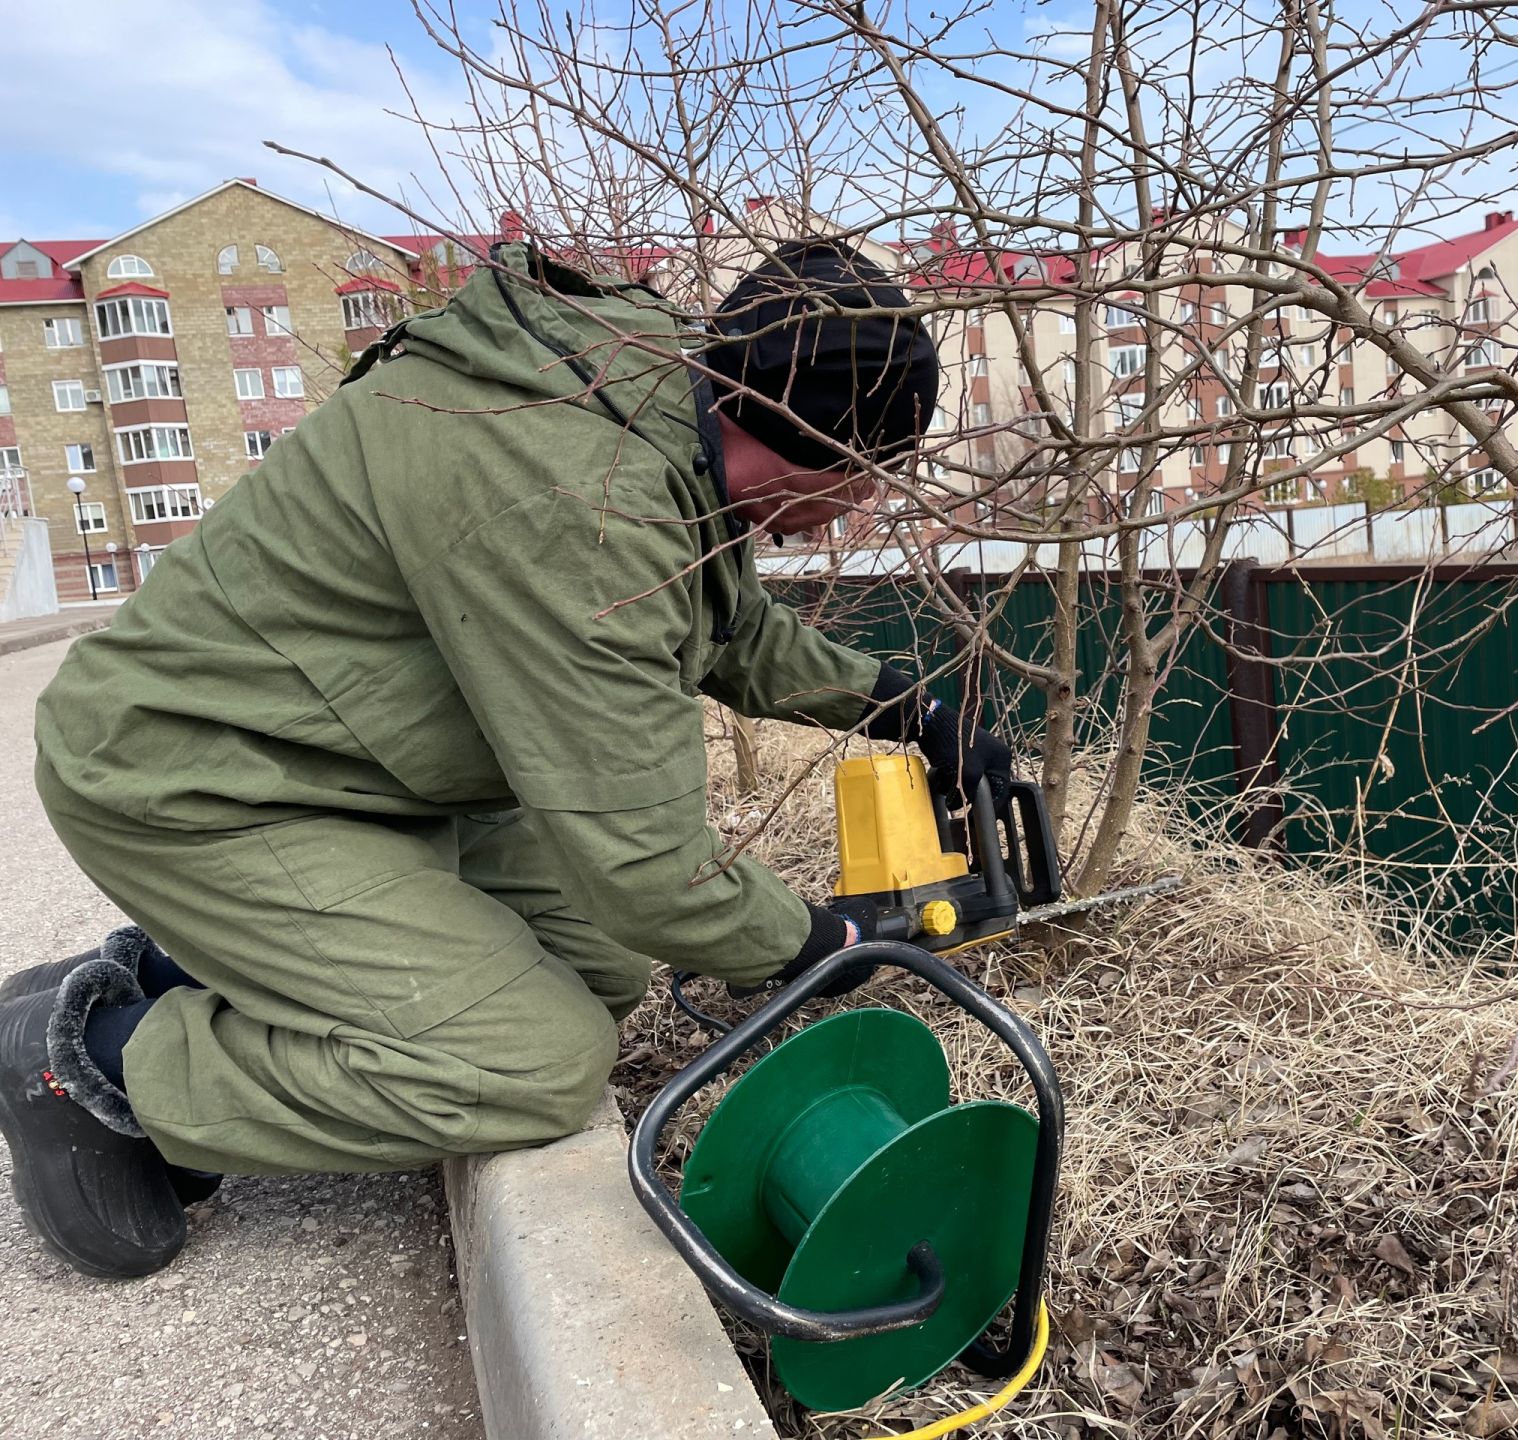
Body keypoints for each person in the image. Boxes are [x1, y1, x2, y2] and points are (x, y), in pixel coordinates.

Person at [0, 237, 1013, 1279]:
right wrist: (823, 934)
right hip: (198, 776)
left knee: (595, 966)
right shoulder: (580, 506)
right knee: (530, 1062)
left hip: (344, 755)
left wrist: (898, 702)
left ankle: (183, 965)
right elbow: (651, 874)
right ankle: (92, 1069)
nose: (863, 508)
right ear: (802, 440)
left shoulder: (661, 387)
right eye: (864, 479)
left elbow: (722, 622)